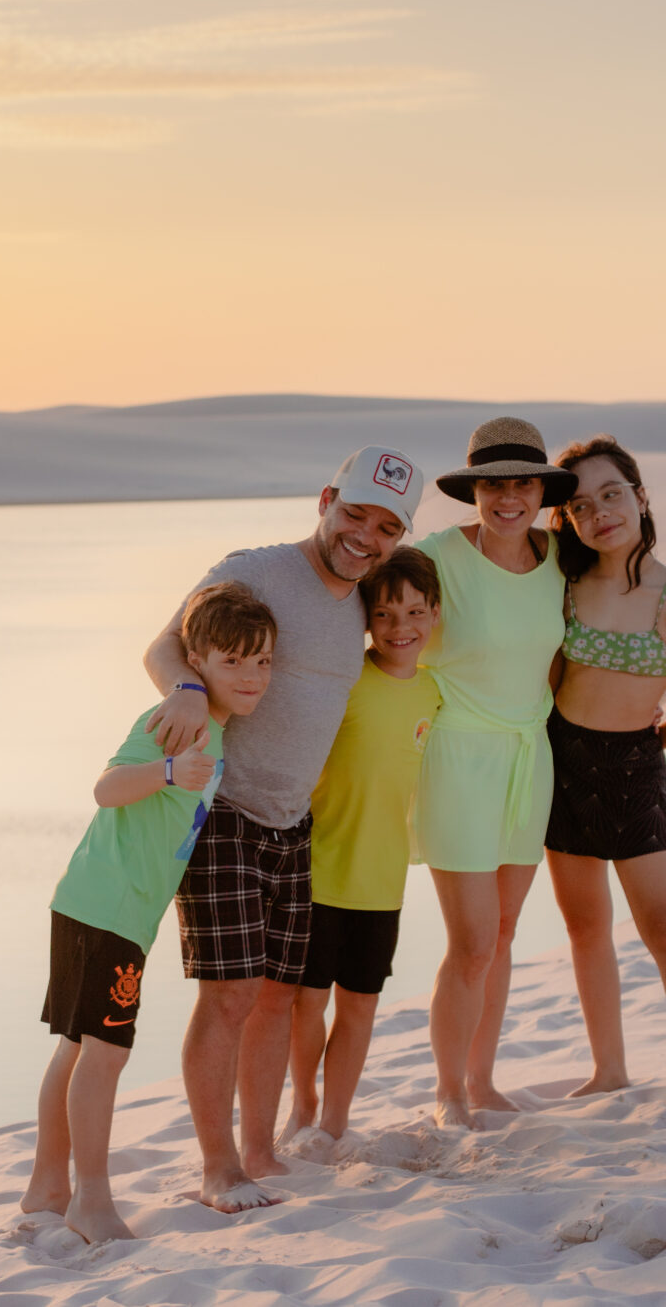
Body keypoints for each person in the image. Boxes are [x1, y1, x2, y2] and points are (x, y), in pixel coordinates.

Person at [143, 445, 422, 1211]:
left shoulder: (368, 598)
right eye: (355, 513)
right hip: (224, 808)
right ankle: (216, 1165)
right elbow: (164, 643)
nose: (365, 535)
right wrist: (189, 689)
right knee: (227, 995)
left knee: (275, 994)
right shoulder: (257, 570)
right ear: (326, 498)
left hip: (294, 823)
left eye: (386, 526)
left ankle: (260, 1152)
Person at [21, 583, 276, 1243]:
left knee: (76, 1047)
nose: (251, 677)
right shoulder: (180, 721)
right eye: (234, 662)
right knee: (104, 1054)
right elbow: (107, 788)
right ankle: (92, 1200)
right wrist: (167, 769)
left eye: (263, 662)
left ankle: (47, 1185)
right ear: (197, 661)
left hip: (94, 901)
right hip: (111, 909)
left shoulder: (214, 727)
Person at [544, 434, 666, 1106]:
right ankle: (610, 1070)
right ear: (566, 519)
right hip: (561, 763)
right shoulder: (562, 586)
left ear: (640, 496)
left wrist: (654, 744)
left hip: (635, 772)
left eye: (613, 494)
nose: (601, 512)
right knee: (585, 925)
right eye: (583, 505)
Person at [414, 416, 579, 1130]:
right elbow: (381, 628)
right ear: (473, 490)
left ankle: (482, 1080)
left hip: (528, 755)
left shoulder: (559, 558)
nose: (508, 497)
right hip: (457, 756)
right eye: (493, 485)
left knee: (506, 930)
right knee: (473, 939)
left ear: (543, 490)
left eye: (522, 483)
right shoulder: (435, 558)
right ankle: (448, 1090)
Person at [285, 546, 443, 1148]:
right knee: (307, 1004)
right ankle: (303, 1105)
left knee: (359, 1008)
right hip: (319, 870)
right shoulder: (345, 682)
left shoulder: (435, 692)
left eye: (414, 613)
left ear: (433, 614)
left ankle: (335, 1122)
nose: (400, 628)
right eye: (384, 615)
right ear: (365, 621)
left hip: (383, 882)